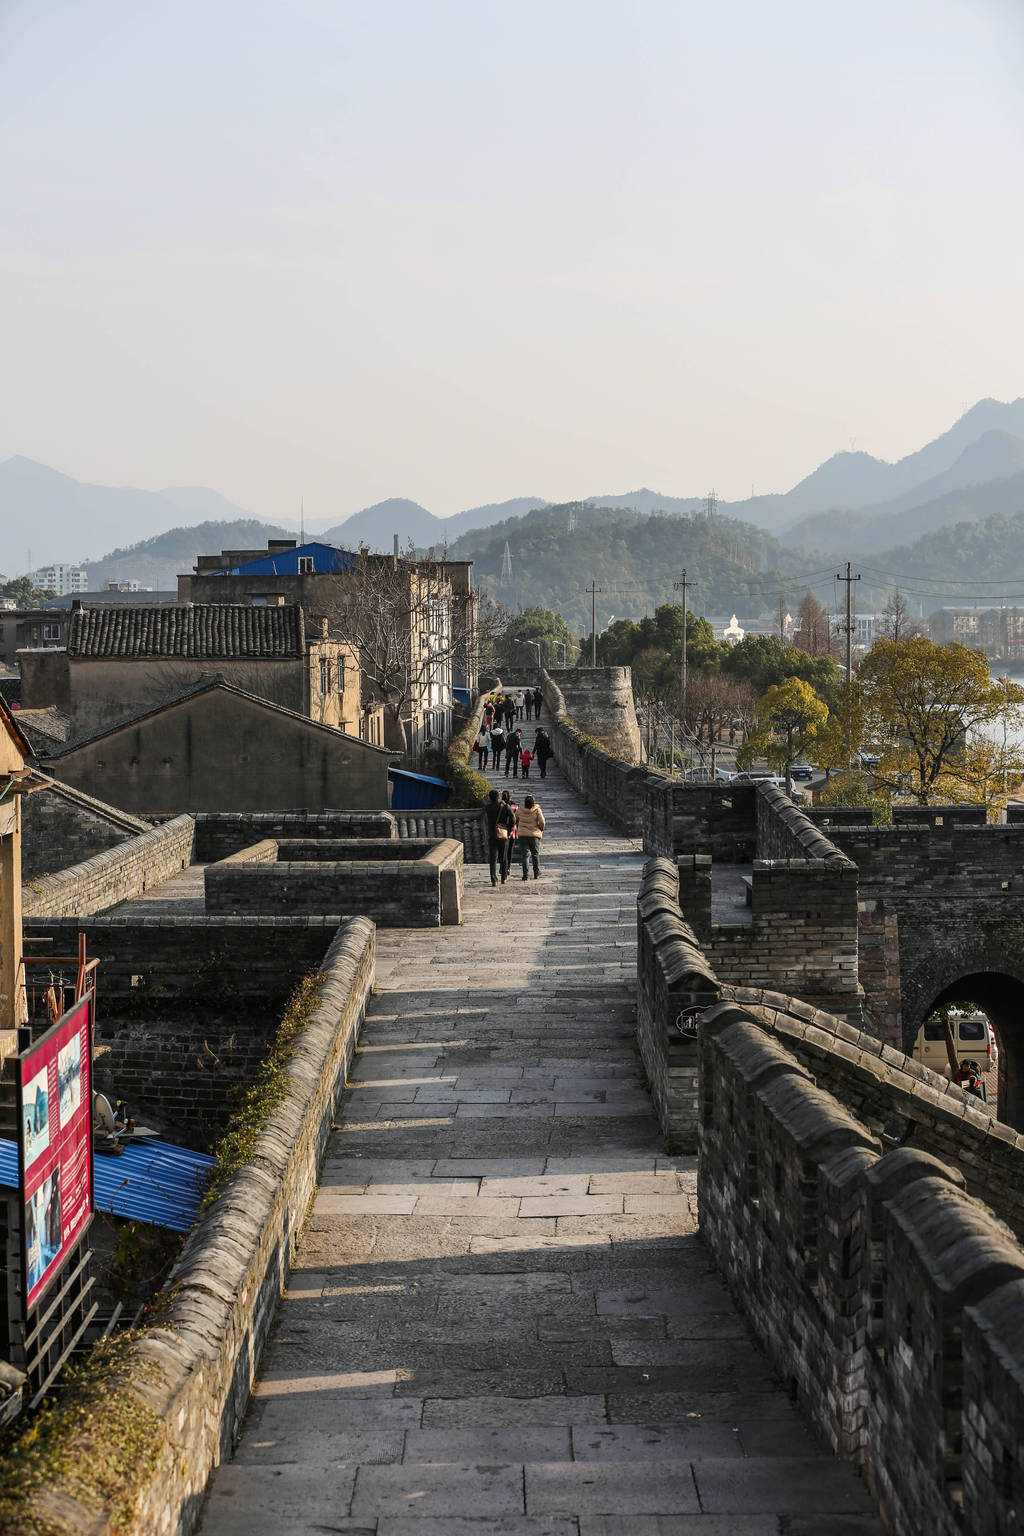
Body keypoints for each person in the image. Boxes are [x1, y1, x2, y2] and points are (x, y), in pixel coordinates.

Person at [517, 794, 546, 880]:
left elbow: (515, 819)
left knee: (525, 855)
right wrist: (540, 829)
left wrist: (520, 826)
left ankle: (525, 875)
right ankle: (536, 873)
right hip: (534, 835)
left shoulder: (520, 809)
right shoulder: (537, 810)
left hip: (522, 835)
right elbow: (542, 822)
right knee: (535, 854)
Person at [497, 788, 518, 882]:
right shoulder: (514, 806)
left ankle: (502, 867)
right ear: (510, 797)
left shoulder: (499, 806)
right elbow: (516, 819)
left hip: (501, 831)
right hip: (512, 831)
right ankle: (508, 867)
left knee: (502, 851)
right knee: (510, 851)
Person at [483, 788, 503, 886]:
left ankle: (493, 879)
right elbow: (512, 818)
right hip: (502, 834)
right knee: (503, 856)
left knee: (493, 858)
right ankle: (503, 876)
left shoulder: (487, 808)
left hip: (492, 834)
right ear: (498, 797)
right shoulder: (503, 807)